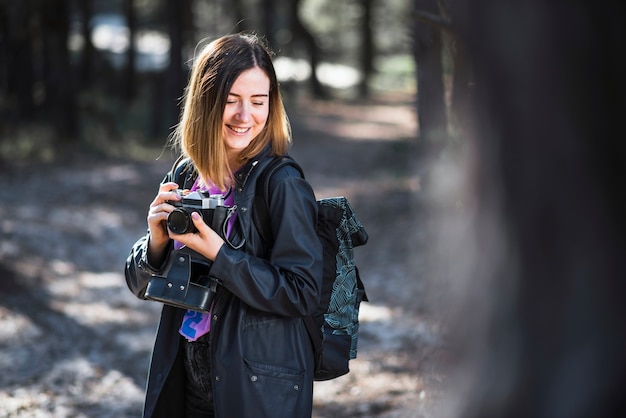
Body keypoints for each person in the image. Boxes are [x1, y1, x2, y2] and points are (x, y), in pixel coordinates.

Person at [125, 33, 323, 418]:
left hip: (256, 384)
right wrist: (156, 241)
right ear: (205, 101)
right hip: (185, 374)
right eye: (230, 100)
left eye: (258, 101)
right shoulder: (186, 173)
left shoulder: (282, 183)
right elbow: (138, 283)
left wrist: (219, 254)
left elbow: (302, 293)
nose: (244, 115)